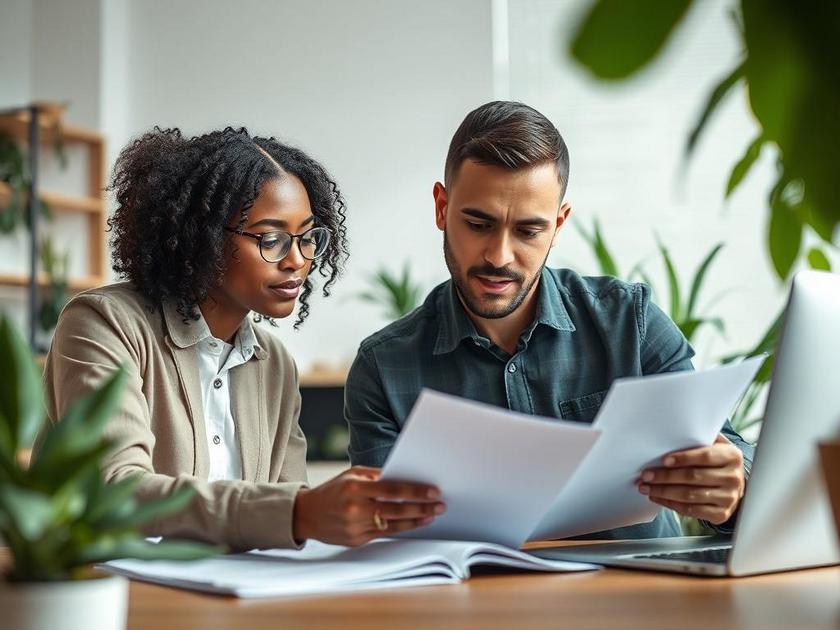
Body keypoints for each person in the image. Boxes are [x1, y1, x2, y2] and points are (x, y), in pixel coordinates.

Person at [345, 101, 752, 539]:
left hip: (635, 583)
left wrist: (733, 487)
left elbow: (727, 451)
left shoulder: (630, 322)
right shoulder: (383, 368)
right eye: (479, 224)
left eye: (528, 231)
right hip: (472, 586)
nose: (499, 256)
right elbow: (384, 537)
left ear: (558, 225)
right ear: (442, 207)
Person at [41, 127, 445, 551]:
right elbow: (118, 490)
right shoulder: (104, 324)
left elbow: (287, 522)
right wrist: (297, 513)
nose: (297, 260)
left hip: (234, 589)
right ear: (202, 237)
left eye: (308, 238)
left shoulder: (275, 364)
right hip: (110, 584)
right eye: (271, 239)